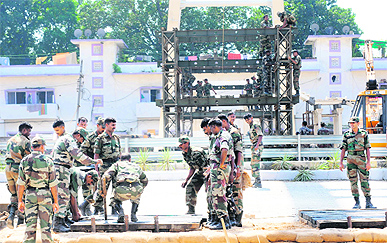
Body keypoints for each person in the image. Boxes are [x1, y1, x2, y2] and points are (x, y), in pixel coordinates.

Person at [51, 119, 102, 232]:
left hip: (63, 168)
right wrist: (94, 161)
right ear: (78, 135)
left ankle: (63, 219)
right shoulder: (68, 139)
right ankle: (57, 224)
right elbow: (78, 155)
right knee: (62, 196)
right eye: (82, 139)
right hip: (61, 169)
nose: (81, 142)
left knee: (66, 195)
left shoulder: (63, 138)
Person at [17, 136, 59, 243]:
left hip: (30, 194)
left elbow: (21, 184)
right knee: (46, 228)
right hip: (45, 195)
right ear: (42, 147)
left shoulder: (24, 161)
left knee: (30, 227)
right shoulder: (48, 160)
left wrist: (20, 201)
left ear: (32, 147)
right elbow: (53, 184)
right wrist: (56, 202)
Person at [339, 117, 376, 209]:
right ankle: (356, 202)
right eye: (350, 123)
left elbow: (367, 148)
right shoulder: (347, 134)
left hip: (361, 159)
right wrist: (341, 162)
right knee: (353, 181)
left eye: (353, 123)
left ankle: (368, 202)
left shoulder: (364, 134)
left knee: (364, 180)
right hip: (351, 159)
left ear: (358, 123)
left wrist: (368, 162)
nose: (352, 124)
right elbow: (343, 148)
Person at [100, 153, 148, 223]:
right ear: (130, 159)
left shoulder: (117, 165)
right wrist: (141, 189)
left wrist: (102, 189)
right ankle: (133, 215)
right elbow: (145, 180)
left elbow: (106, 176)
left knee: (113, 199)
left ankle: (121, 213)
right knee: (136, 196)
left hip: (122, 189)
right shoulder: (136, 166)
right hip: (136, 189)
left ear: (120, 159)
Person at [218, 114, 244, 227]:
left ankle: (238, 218)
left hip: (237, 165)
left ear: (224, 121)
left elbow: (238, 151)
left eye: (220, 124)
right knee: (230, 191)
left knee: (236, 192)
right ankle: (233, 216)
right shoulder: (225, 132)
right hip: (231, 165)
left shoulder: (234, 132)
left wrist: (238, 168)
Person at [5, 122, 33, 228]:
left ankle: (11, 216)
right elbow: (29, 158)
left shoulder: (10, 140)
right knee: (22, 194)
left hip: (8, 168)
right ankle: (21, 221)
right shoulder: (25, 141)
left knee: (13, 194)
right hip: (17, 168)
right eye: (29, 131)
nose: (30, 133)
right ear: (24, 130)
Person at [207, 118, 234, 230]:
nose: (211, 131)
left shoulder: (223, 136)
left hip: (219, 169)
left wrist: (221, 163)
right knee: (216, 193)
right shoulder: (220, 135)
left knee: (219, 193)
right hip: (216, 169)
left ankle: (224, 221)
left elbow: (224, 149)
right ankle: (220, 220)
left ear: (214, 127)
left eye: (211, 128)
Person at [93, 117, 121, 215]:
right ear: (106, 125)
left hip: (115, 164)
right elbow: (96, 155)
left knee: (116, 187)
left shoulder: (116, 138)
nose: (114, 127)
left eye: (115, 125)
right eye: (112, 125)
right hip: (105, 165)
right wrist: (96, 169)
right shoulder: (100, 138)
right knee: (102, 187)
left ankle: (115, 207)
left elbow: (119, 153)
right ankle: (97, 208)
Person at [178, 135, 208, 215]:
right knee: (190, 187)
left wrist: (207, 182)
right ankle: (191, 209)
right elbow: (192, 167)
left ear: (187, 143)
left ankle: (213, 213)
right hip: (201, 172)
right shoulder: (185, 153)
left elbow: (205, 167)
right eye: (179, 144)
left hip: (208, 172)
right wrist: (186, 180)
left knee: (210, 191)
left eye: (181, 144)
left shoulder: (196, 152)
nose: (179, 146)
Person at [244, 113, 264, 188]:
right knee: (253, 163)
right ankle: (256, 180)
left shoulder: (255, 125)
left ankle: (258, 182)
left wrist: (257, 145)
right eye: (246, 120)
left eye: (248, 119)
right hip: (255, 145)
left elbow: (260, 135)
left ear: (251, 118)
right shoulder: (251, 126)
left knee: (255, 164)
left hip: (257, 146)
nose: (247, 121)